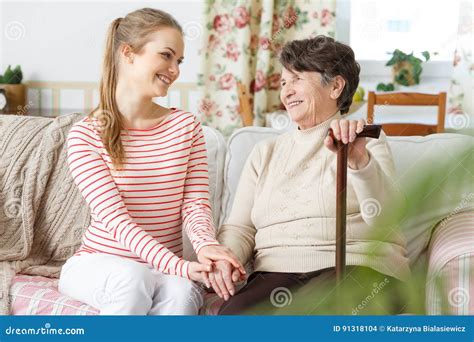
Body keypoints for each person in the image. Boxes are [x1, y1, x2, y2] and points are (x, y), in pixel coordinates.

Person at [206, 36, 410, 315]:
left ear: (336, 86)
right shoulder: (264, 153)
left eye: (297, 79)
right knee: (233, 316)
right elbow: (240, 229)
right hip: (276, 274)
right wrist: (226, 258)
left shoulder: (365, 140)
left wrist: (358, 161)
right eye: (283, 83)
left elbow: (387, 219)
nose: (287, 92)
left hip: (354, 268)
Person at [58, 8, 244, 315]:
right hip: (98, 263)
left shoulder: (186, 127)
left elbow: (195, 206)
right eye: (166, 56)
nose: (174, 69)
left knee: (183, 294)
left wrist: (206, 247)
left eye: (179, 61)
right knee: (132, 278)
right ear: (128, 53)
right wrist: (181, 266)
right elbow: (117, 223)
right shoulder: (85, 135)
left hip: (161, 268)